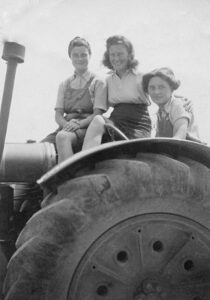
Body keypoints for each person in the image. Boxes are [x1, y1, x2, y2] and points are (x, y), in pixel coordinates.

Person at [42, 37, 107, 162]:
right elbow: (58, 115)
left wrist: (77, 125)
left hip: (87, 126)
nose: (80, 59)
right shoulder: (64, 84)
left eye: (84, 55)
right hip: (67, 125)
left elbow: (97, 114)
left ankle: (70, 177)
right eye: (75, 55)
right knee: (40, 148)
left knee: (62, 137)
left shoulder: (98, 81)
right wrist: (66, 125)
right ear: (70, 57)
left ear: (90, 55)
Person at [82, 35, 152, 150]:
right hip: (116, 122)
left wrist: (184, 102)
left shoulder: (141, 77)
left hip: (138, 125)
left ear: (129, 55)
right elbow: (95, 108)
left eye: (120, 54)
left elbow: (162, 94)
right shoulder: (107, 81)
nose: (116, 58)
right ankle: (83, 162)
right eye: (112, 55)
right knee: (98, 120)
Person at [142, 67, 200, 141]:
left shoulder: (178, 105)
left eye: (161, 87)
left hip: (193, 150)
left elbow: (179, 139)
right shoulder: (160, 113)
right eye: (152, 88)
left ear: (172, 88)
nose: (156, 92)